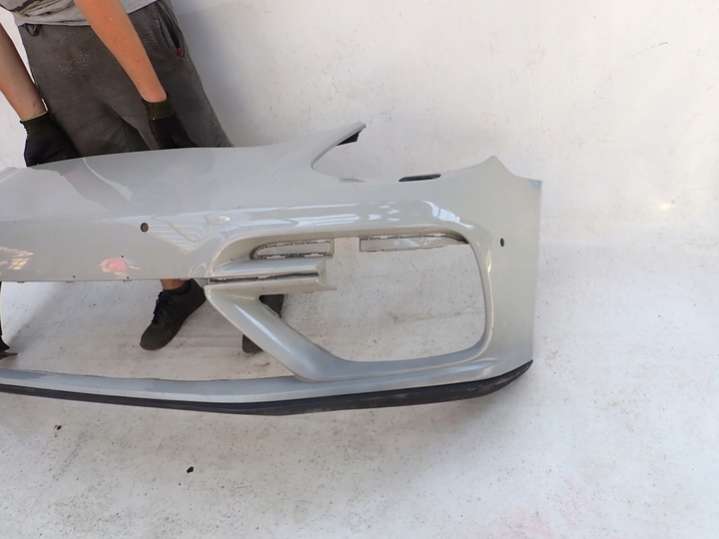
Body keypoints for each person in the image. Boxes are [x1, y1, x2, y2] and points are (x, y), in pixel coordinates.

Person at [0, 0, 281, 354]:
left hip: (125, 20)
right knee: (122, 176)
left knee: (196, 163)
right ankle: (177, 286)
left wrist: (157, 103)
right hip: (44, 43)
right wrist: (35, 121)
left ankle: (256, 277)